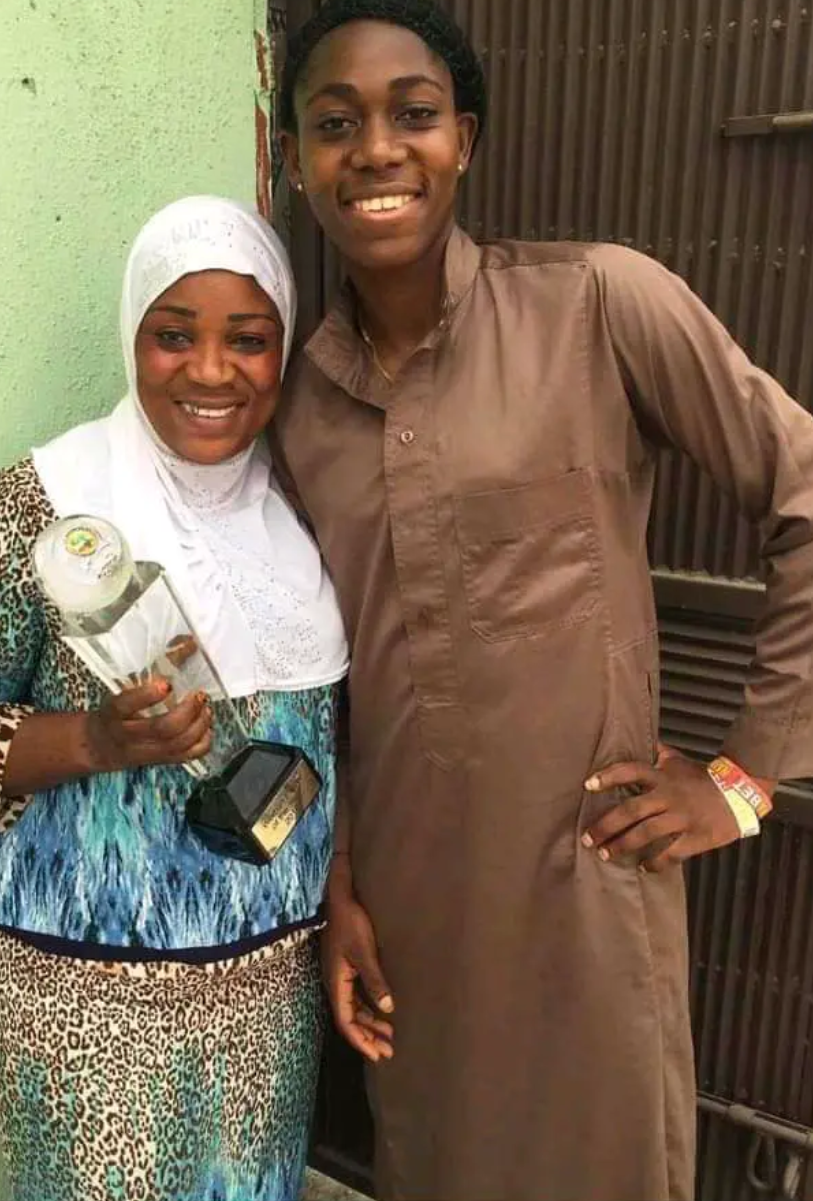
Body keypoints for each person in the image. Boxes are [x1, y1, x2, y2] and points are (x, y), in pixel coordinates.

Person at [271, 3, 813, 1199]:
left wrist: (742, 778)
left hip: (586, 891)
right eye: (334, 122)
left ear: (462, 139)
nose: (374, 149)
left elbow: (803, 496)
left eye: (412, 115)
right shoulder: (298, 408)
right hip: (410, 909)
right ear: (293, 157)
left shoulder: (598, 307)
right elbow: (327, 673)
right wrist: (341, 880)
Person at [0, 196, 349, 1201]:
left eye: (249, 340)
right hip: (81, 995)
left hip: (267, 993)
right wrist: (92, 739)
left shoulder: (306, 513)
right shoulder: (39, 508)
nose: (211, 370)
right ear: (131, 336)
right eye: (173, 335)